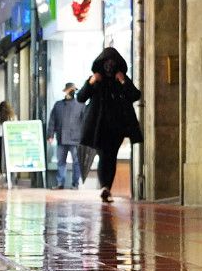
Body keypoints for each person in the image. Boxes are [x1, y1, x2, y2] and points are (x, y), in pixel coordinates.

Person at [77, 47, 142, 203]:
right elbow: (80, 97)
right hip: (98, 127)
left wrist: (123, 80)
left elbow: (135, 95)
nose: (109, 65)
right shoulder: (96, 80)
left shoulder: (121, 80)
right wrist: (90, 82)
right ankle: (105, 186)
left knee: (111, 156)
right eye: (107, 62)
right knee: (103, 155)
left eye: (113, 62)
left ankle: (106, 187)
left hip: (116, 127)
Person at [48, 82, 87, 190]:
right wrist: (50, 135)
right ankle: (60, 183)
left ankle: (75, 184)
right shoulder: (58, 105)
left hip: (76, 139)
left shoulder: (81, 104)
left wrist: (85, 137)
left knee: (76, 162)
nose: (71, 92)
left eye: (72, 90)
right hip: (61, 138)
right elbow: (52, 121)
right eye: (70, 90)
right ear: (65, 91)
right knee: (61, 162)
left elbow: (85, 122)